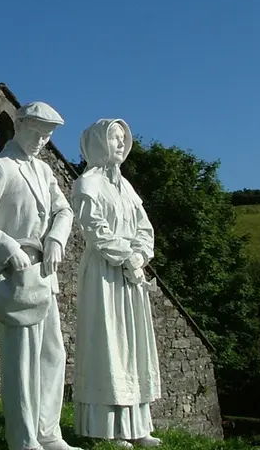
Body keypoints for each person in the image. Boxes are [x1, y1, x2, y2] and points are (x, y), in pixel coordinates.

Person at [0, 102, 80, 450]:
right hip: (15, 274)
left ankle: (48, 432)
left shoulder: (43, 172)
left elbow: (63, 209)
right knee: (22, 360)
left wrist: (56, 238)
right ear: (19, 125)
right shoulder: (1, 167)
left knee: (52, 354)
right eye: (36, 132)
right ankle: (24, 438)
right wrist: (9, 249)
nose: (42, 140)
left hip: (44, 273)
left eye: (48, 135)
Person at [71, 119, 162, 448]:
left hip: (131, 275)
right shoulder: (86, 184)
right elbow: (94, 229)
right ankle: (106, 427)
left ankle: (138, 425)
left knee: (134, 344)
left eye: (124, 138)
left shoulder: (126, 187)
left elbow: (144, 227)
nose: (121, 143)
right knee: (108, 343)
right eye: (114, 137)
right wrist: (125, 257)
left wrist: (139, 256)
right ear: (97, 141)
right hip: (104, 273)